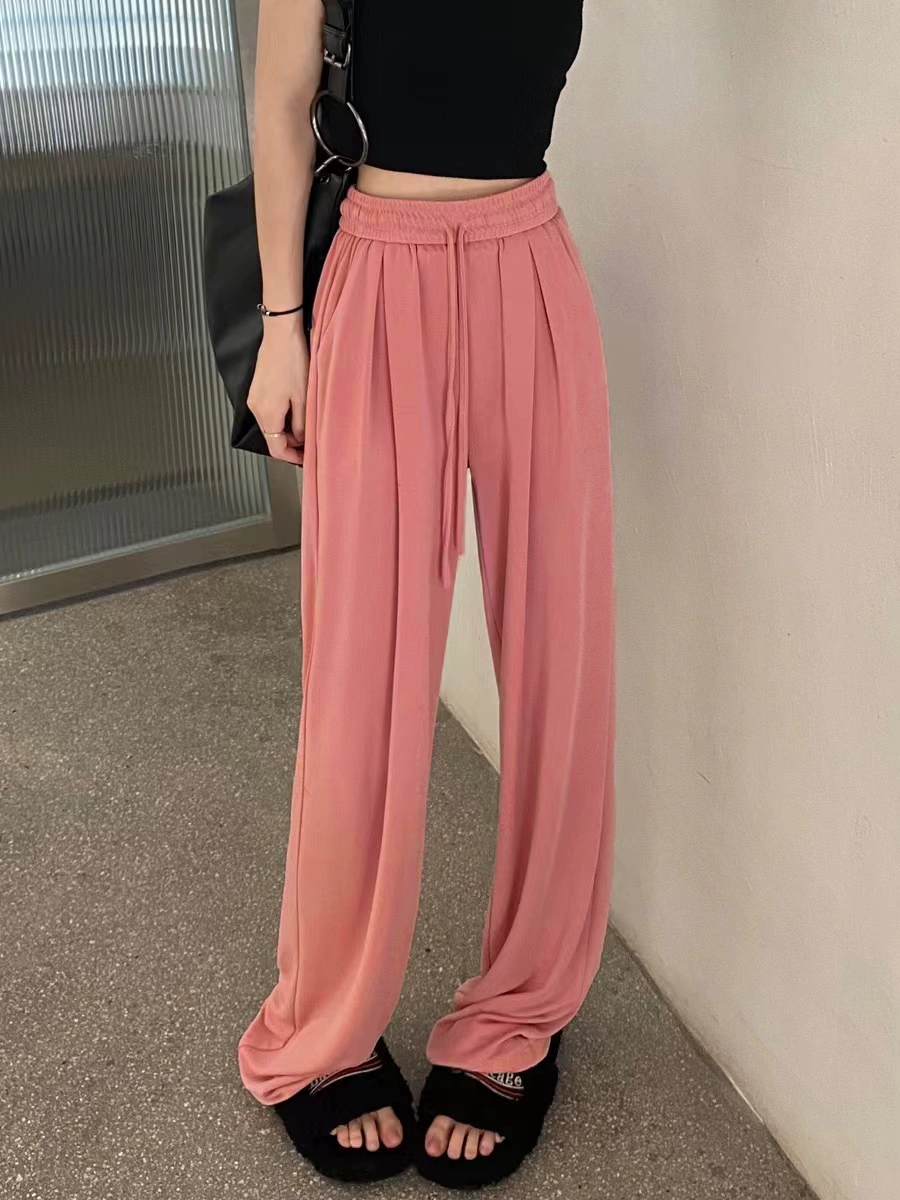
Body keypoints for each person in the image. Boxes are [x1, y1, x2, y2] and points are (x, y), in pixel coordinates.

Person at [238, 0, 615, 1188]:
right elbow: (281, 101)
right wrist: (282, 330)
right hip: (379, 274)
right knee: (362, 680)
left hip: (532, 266)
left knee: (561, 664)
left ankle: (519, 1009)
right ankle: (329, 1022)